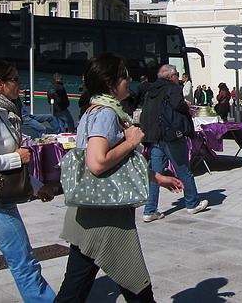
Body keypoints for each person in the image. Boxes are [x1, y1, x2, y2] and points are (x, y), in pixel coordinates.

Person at [56, 53, 184, 303]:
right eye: (124, 75)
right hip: (106, 214)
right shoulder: (105, 113)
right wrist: (131, 142)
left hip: (92, 211)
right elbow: (97, 162)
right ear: (109, 82)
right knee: (134, 284)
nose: (129, 80)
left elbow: (117, 165)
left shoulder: (97, 109)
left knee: (75, 289)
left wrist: (156, 177)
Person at [0, 60, 56, 302]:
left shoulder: (3, 113)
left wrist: (37, 187)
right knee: (25, 265)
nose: (20, 84)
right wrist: (15, 159)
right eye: (15, 79)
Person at [140, 65, 208, 222]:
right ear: (171, 77)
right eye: (177, 75)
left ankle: (150, 210)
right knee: (183, 170)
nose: (178, 77)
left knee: (155, 176)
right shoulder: (173, 88)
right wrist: (187, 106)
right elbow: (178, 105)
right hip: (171, 136)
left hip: (155, 138)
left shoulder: (151, 90)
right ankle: (192, 203)